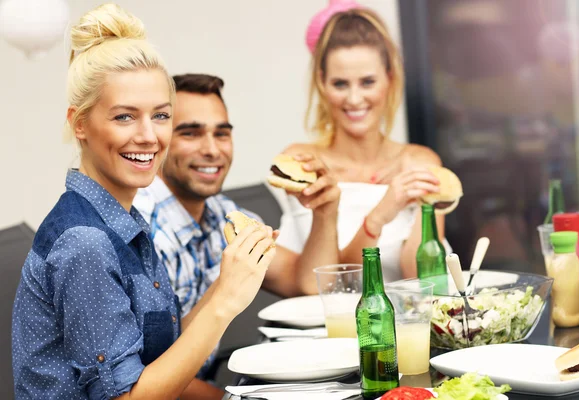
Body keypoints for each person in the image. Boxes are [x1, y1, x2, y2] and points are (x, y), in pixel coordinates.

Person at [12, 4, 274, 400]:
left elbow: (162, 361)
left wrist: (231, 279)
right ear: (79, 123)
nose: (149, 136)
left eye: (161, 115)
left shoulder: (123, 220)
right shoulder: (85, 243)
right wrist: (225, 300)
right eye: (124, 117)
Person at [133, 74, 340, 393]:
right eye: (191, 133)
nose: (212, 149)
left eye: (222, 133)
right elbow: (140, 377)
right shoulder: (138, 230)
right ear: (158, 139)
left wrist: (325, 213)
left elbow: (309, 285)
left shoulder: (222, 213)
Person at [275, 5, 450, 282]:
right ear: (322, 83)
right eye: (340, 84)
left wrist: (421, 205)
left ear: (390, 79)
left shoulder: (420, 162)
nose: (354, 99)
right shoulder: (303, 164)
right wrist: (382, 212)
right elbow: (330, 283)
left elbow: (423, 281)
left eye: (367, 82)